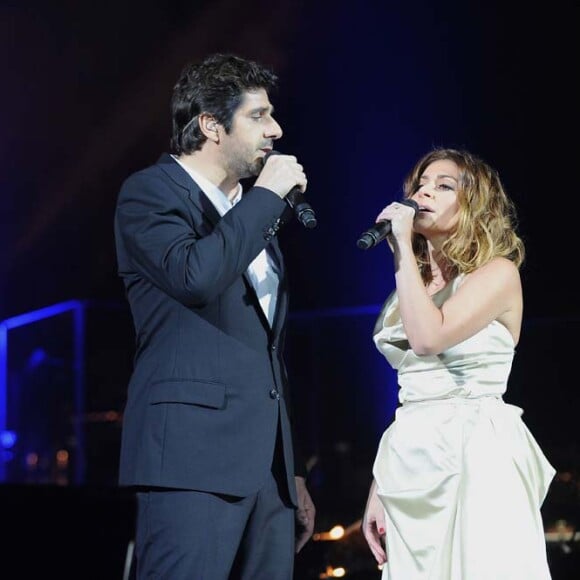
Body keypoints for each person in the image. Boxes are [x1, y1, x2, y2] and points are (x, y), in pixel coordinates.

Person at [114, 53, 315, 580]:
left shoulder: (251, 214)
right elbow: (194, 277)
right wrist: (268, 196)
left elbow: (267, 349)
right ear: (210, 125)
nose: (276, 129)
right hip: (191, 461)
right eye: (258, 115)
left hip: (267, 476)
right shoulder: (150, 193)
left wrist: (289, 470)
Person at [361, 147, 555, 579]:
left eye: (443, 186)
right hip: (412, 464)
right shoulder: (410, 288)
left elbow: (428, 339)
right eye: (420, 185)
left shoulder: (498, 274)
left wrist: (401, 252)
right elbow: (413, 394)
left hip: (475, 456)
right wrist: (381, 484)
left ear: (475, 205)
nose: (424, 193)